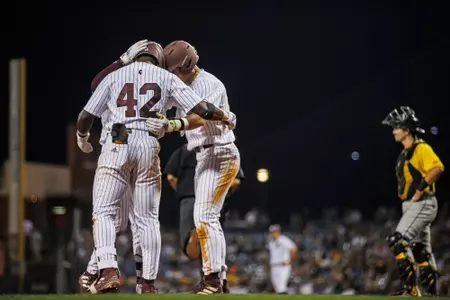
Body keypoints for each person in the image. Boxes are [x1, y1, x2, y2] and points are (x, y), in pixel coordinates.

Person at [76, 40, 237, 294]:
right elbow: (204, 109)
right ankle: (146, 283)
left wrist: (82, 137)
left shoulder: (118, 74)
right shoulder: (165, 77)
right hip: (148, 142)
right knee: (146, 219)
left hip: (119, 136)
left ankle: (104, 270)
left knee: (107, 213)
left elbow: (90, 101)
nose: (171, 71)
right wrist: (222, 114)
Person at [147, 40, 241, 294]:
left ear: (186, 65)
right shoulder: (181, 83)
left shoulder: (209, 83)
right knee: (210, 219)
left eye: (173, 69)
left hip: (220, 153)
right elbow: (159, 107)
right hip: (204, 156)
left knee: (204, 216)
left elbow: (202, 116)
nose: (170, 73)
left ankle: (212, 280)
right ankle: (219, 279)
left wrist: (172, 125)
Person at [78, 40, 146, 294]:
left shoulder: (119, 79)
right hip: (136, 145)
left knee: (111, 218)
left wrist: (121, 61)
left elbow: (96, 85)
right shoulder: (124, 80)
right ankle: (100, 269)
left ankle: (98, 270)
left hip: (118, 142)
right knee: (119, 221)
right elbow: (97, 85)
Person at [163, 141, 245, 293]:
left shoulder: (184, 149)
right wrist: (222, 195)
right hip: (213, 196)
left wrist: (182, 191)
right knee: (214, 233)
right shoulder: (223, 148)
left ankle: (212, 280)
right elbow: (236, 180)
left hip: (189, 196)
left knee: (192, 245)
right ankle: (219, 279)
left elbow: (170, 177)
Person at [382, 106, 444, 297]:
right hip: (415, 204)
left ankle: (411, 291)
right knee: (420, 250)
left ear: (406, 129)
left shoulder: (420, 148)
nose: (393, 131)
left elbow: (437, 168)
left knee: (398, 241)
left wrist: (419, 190)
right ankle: (431, 294)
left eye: (396, 127)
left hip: (422, 202)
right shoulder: (407, 151)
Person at [267, 224, 297, 294]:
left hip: (283, 266)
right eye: (271, 232)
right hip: (274, 266)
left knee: (282, 286)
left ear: (278, 231)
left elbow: (293, 248)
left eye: (274, 231)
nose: (273, 233)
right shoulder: (271, 242)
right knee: (277, 287)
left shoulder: (283, 239)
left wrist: (290, 260)